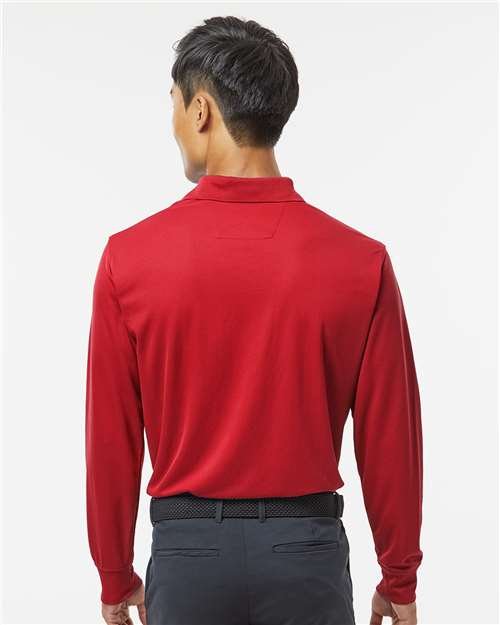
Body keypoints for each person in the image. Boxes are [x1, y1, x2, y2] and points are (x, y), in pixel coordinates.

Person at [85, 15, 423, 625]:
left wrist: (115, 573)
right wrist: (398, 575)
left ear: (201, 110)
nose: (173, 122)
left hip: (188, 556)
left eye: (173, 102)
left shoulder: (128, 258)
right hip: (306, 554)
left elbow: (111, 436)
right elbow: (390, 436)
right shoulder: (359, 261)